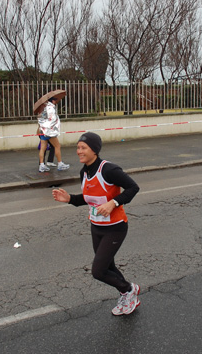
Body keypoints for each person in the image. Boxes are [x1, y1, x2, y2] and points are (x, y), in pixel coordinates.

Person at [52, 132, 141, 316]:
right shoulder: (84, 172)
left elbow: (133, 188)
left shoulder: (108, 170)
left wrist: (114, 202)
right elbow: (88, 198)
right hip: (96, 227)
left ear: (95, 150)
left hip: (115, 227)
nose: (79, 151)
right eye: (78, 147)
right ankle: (127, 296)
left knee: (98, 271)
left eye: (83, 147)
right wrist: (69, 199)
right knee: (108, 267)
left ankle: (129, 289)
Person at [37, 97, 70, 172]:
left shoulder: (42, 108)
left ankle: (42, 165)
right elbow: (52, 119)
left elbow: (39, 119)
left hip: (42, 130)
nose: (56, 101)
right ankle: (60, 163)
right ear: (52, 101)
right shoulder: (50, 108)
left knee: (43, 148)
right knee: (57, 146)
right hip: (49, 131)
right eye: (55, 100)